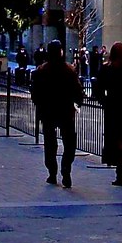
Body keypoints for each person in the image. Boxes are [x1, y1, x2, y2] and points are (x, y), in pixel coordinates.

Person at [30, 40, 84, 187]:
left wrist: (39, 105)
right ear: (60, 52)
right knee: (69, 142)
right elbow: (77, 90)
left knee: (50, 143)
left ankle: (52, 172)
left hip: (48, 111)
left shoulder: (41, 71)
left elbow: (35, 93)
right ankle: (66, 168)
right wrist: (78, 101)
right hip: (65, 110)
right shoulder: (68, 70)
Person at [93, 42, 122, 186]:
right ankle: (120, 172)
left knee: (116, 140)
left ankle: (120, 173)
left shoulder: (108, 69)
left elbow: (98, 88)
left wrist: (104, 101)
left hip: (113, 109)